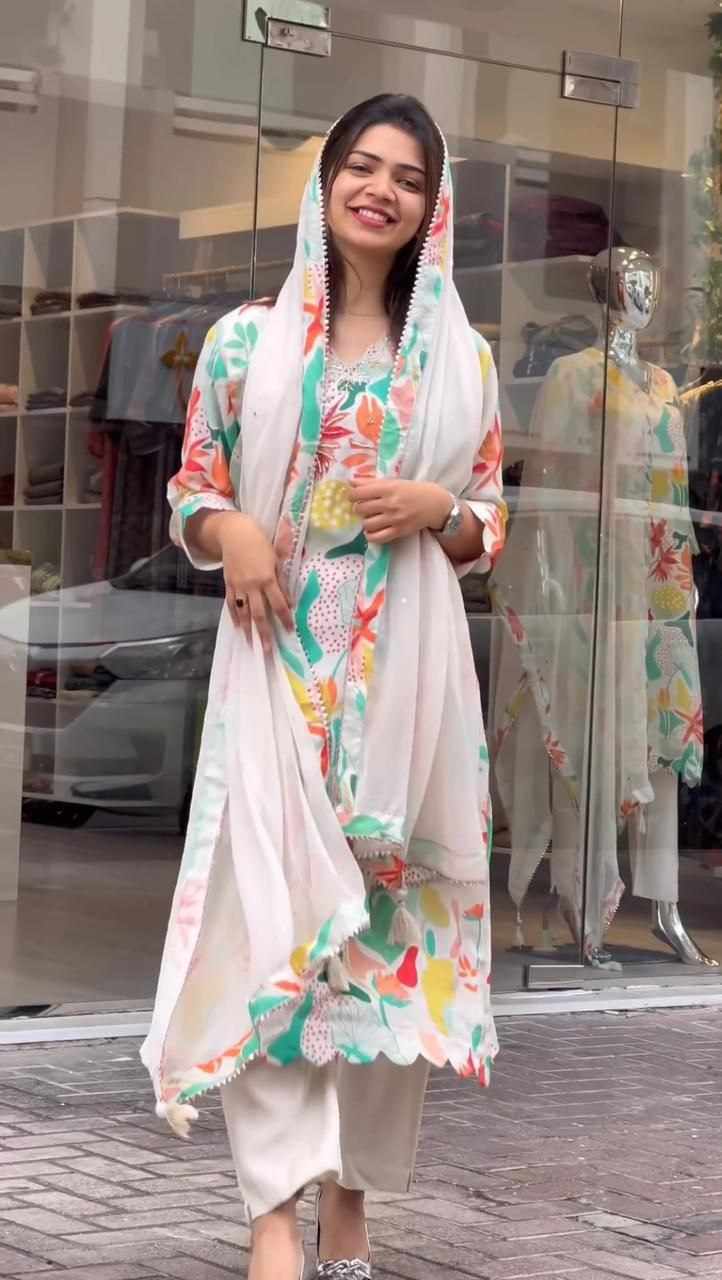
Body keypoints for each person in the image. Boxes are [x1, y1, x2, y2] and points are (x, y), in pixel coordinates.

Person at [141, 94, 506, 1280]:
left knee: (389, 947)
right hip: (278, 672)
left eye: (407, 176)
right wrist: (233, 529)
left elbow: (487, 518)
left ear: (430, 207)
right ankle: (271, 1215)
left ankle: (350, 1201)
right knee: (273, 928)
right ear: (326, 181)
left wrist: (441, 509)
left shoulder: (457, 357)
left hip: (404, 690)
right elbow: (192, 486)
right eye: (361, 164)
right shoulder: (244, 343)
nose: (379, 189)